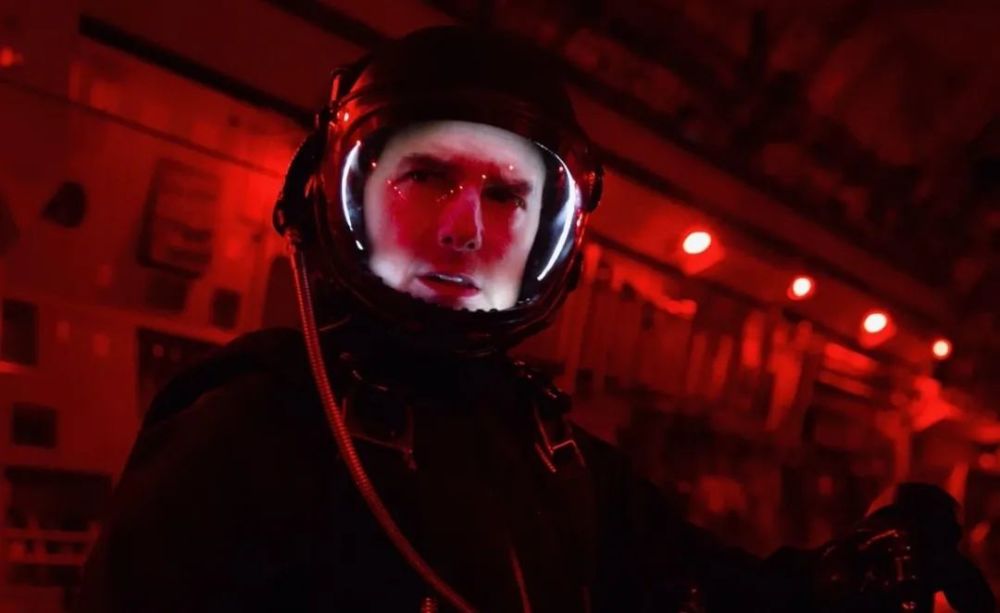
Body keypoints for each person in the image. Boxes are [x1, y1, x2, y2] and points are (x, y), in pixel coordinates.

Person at [75, 26, 995, 612]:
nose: (463, 228)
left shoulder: (555, 454)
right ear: (334, 190)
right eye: (426, 175)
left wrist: (856, 569)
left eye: (506, 194)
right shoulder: (247, 431)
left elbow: (715, 591)